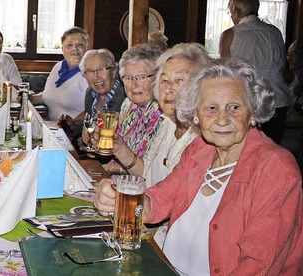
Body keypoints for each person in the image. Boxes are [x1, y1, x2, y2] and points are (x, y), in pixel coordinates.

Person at [94, 59, 303, 275]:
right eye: (211, 108)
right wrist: (117, 198)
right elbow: (160, 199)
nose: (222, 120)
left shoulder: (276, 169)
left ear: (252, 113)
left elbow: (259, 265)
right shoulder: (200, 149)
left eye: (234, 108)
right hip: (163, 267)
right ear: (196, 114)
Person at [219, 0, 291, 144]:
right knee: (271, 150)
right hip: (278, 100)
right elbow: (283, 68)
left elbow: (225, 74)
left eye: (230, 12)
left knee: (246, 151)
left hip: (247, 101)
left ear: (235, 11)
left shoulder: (231, 34)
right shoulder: (275, 32)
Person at [92, 44, 162, 174]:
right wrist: (98, 141)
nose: (134, 85)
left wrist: (114, 169)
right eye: (128, 78)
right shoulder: (128, 104)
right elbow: (116, 147)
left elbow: (155, 174)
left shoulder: (165, 115)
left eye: (141, 77)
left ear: (158, 77)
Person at [62, 49, 126, 145]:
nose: (96, 77)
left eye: (100, 70)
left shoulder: (126, 97)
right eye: (90, 71)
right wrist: (69, 125)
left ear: (113, 71)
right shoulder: (90, 94)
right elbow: (89, 125)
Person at [29, 27, 90, 120]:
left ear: (87, 48)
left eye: (80, 44)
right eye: (69, 45)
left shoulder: (90, 72)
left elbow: (95, 109)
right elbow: (49, 96)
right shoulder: (58, 67)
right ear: (62, 49)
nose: (75, 48)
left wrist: (71, 124)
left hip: (75, 132)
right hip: (52, 129)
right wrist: (30, 98)